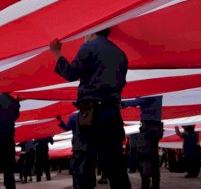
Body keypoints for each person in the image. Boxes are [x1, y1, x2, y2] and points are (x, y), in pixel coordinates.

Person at [49, 28, 131, 189]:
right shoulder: (121, 53)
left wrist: (56, 53)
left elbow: (70, 73)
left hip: (91, 114)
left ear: (91, 32)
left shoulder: (89, 47)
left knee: (84, 163)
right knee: (116, 165)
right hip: (113, 114)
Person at [122, 96, 163, 189]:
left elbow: (140, 101)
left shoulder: (150, 91)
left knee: (144, 156)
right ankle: (156, 184)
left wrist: (123, 103)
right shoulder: (160, 92)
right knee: (154, 156)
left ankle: (145, 184)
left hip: (147, 127)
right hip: (157, 127)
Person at [57, 112, 96, 189]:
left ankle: (79, 185)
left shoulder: (73, 116)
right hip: (90, 147)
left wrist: (60, 120)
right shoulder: (93, 114)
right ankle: (90, 185)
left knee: (78, 170)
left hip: (78, 147)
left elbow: (67, 127)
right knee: (90, 169)